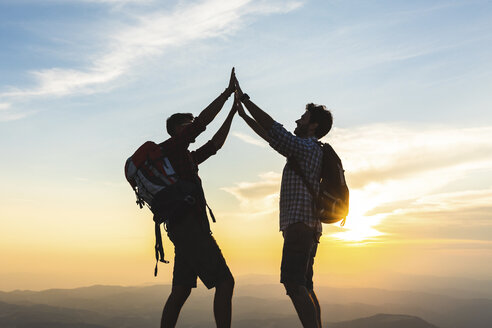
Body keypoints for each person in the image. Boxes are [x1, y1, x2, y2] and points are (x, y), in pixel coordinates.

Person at [233, 75, 333, 328]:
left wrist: (245, 98)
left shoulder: (306, 147)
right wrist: (243, 115)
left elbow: (275, 129)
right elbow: (271, 136)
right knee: (305, 286)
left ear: (313, 126)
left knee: (293, 284)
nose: (298, 120)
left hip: (300, 226)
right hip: (307, 227)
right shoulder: (307, 149)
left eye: (303, 118)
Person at [159, 68, 237, 328]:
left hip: (183, 232)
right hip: (192, 231)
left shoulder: (184, 158)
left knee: (181, 291)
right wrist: (226, 94)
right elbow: (203, 123)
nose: (193, 126)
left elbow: (214, 145)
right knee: (226, 283)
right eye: (188, 124)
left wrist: (233, 113)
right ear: (178, 130)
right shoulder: (172, 148)